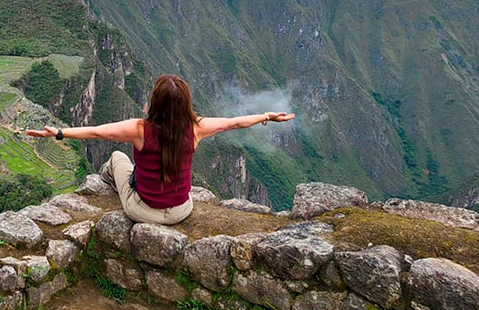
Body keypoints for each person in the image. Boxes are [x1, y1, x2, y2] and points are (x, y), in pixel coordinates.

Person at [26, 74, 294, 224]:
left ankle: (108, 182)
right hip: (181, 210)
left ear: (154, 101)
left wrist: (59, 133)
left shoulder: (140, 129)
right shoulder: (196, 127)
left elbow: (96, 131)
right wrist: (267, 116)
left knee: (117, 159)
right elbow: (234, 123)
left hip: (143, 211)